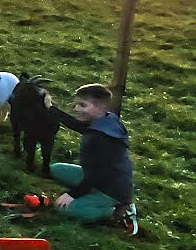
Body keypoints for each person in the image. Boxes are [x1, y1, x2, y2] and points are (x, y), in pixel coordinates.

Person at [48, 83, 138, 235]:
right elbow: (78, 125)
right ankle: (92, 196)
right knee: (55, 169)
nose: (76, 109)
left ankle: (117, 210)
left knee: (64, 208)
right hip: (97, 177)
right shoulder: (106, 120)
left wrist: (72, 195)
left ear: (100, 108)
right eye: (77, 104)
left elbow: (95, 175)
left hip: (111, 190)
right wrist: (51, 108)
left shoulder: (101, 139)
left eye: (82, 105)